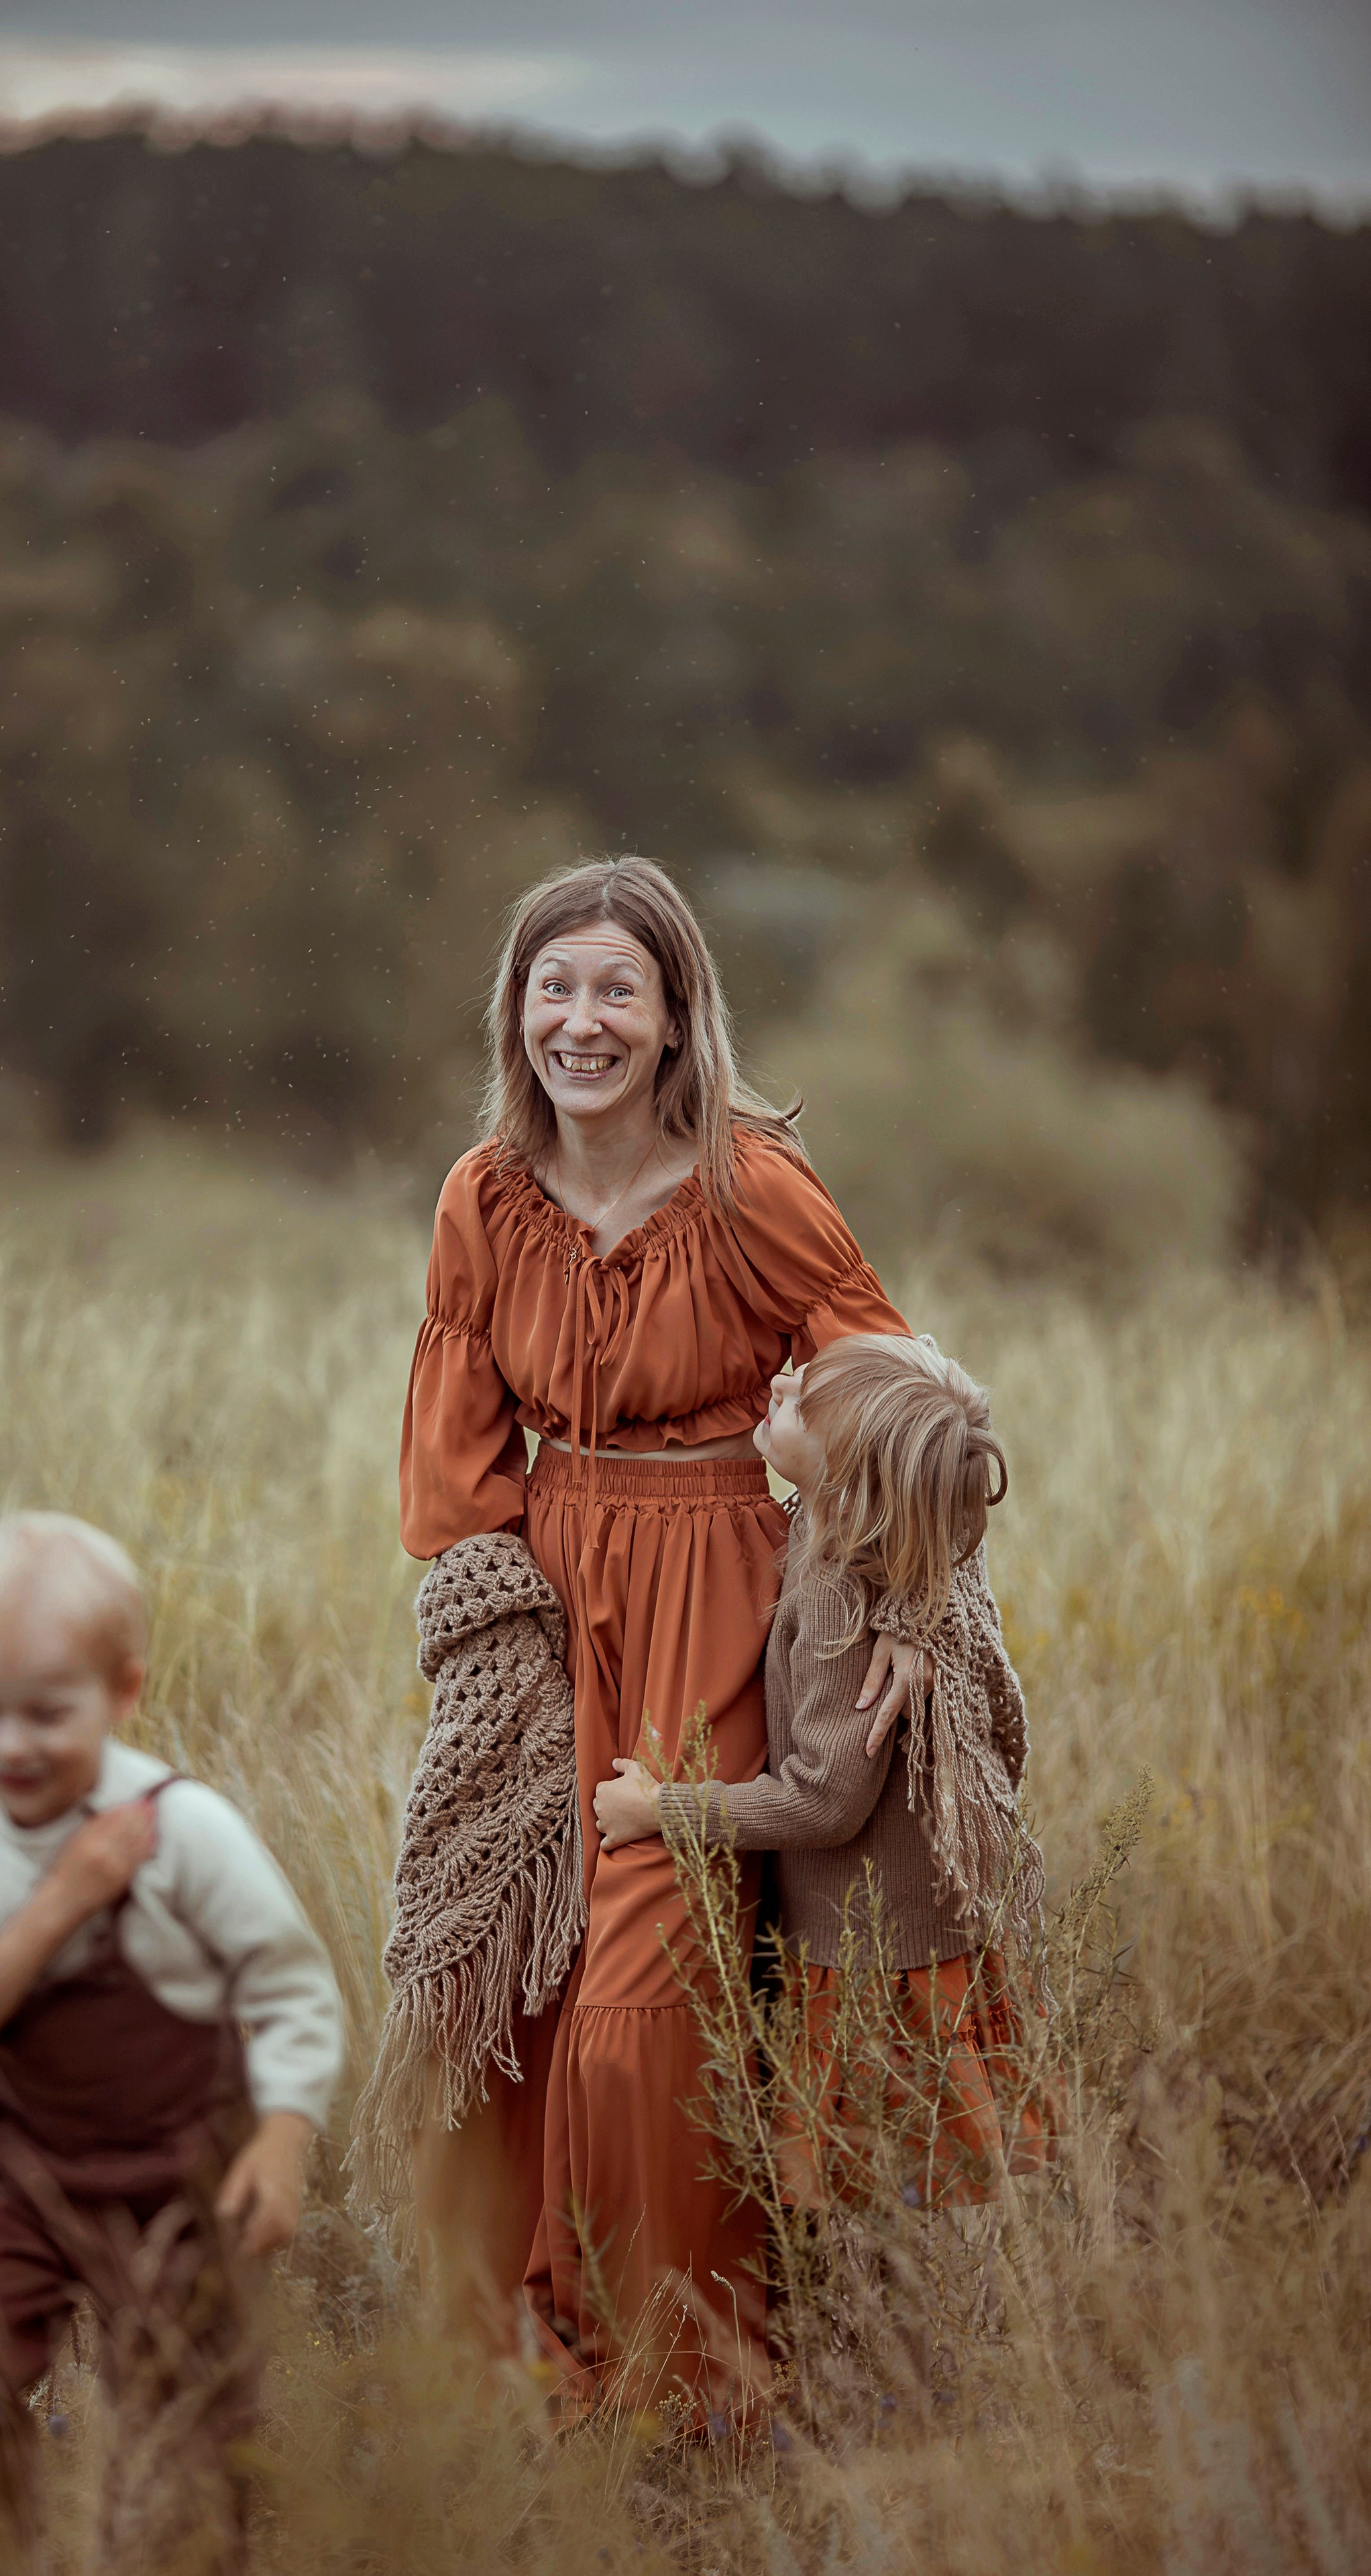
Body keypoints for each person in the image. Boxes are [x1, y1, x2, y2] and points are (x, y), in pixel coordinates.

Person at [399, 855, 927, 2414]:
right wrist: (496, 1650)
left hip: (720, 1602)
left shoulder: (751, 1185)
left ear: (674, 1012)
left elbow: (895, 1398)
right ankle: (527, 2367)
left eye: (614, 988)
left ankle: (687, 2378)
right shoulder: (480, 1197)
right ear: (516, 1013)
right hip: (547, 1617)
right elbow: (450, 1453)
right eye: (551, 988)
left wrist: (907, 1599)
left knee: (644, 2003)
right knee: (525, 1979)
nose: (580, 1020)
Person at [0, 1511, 343, 2573]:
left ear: (125, 1692)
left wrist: (281, 2139)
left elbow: (291, 1987)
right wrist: (64, 1899)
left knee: (186, 2432)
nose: (10, 1744)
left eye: (48, 1713)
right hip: (30, 2172)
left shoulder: (183, 1829)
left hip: (190, 2174)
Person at [594, 1334, 1056, 2213]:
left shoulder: (836, 1591)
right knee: (911, 2189)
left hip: (879, 1956)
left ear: (849, 1475)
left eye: (804, 1400)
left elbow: (827, 1799)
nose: (782, 1379)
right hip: (907, 1930)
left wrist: (665, 1809)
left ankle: (900, 2333)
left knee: (889, 2195)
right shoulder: (878, 1529)